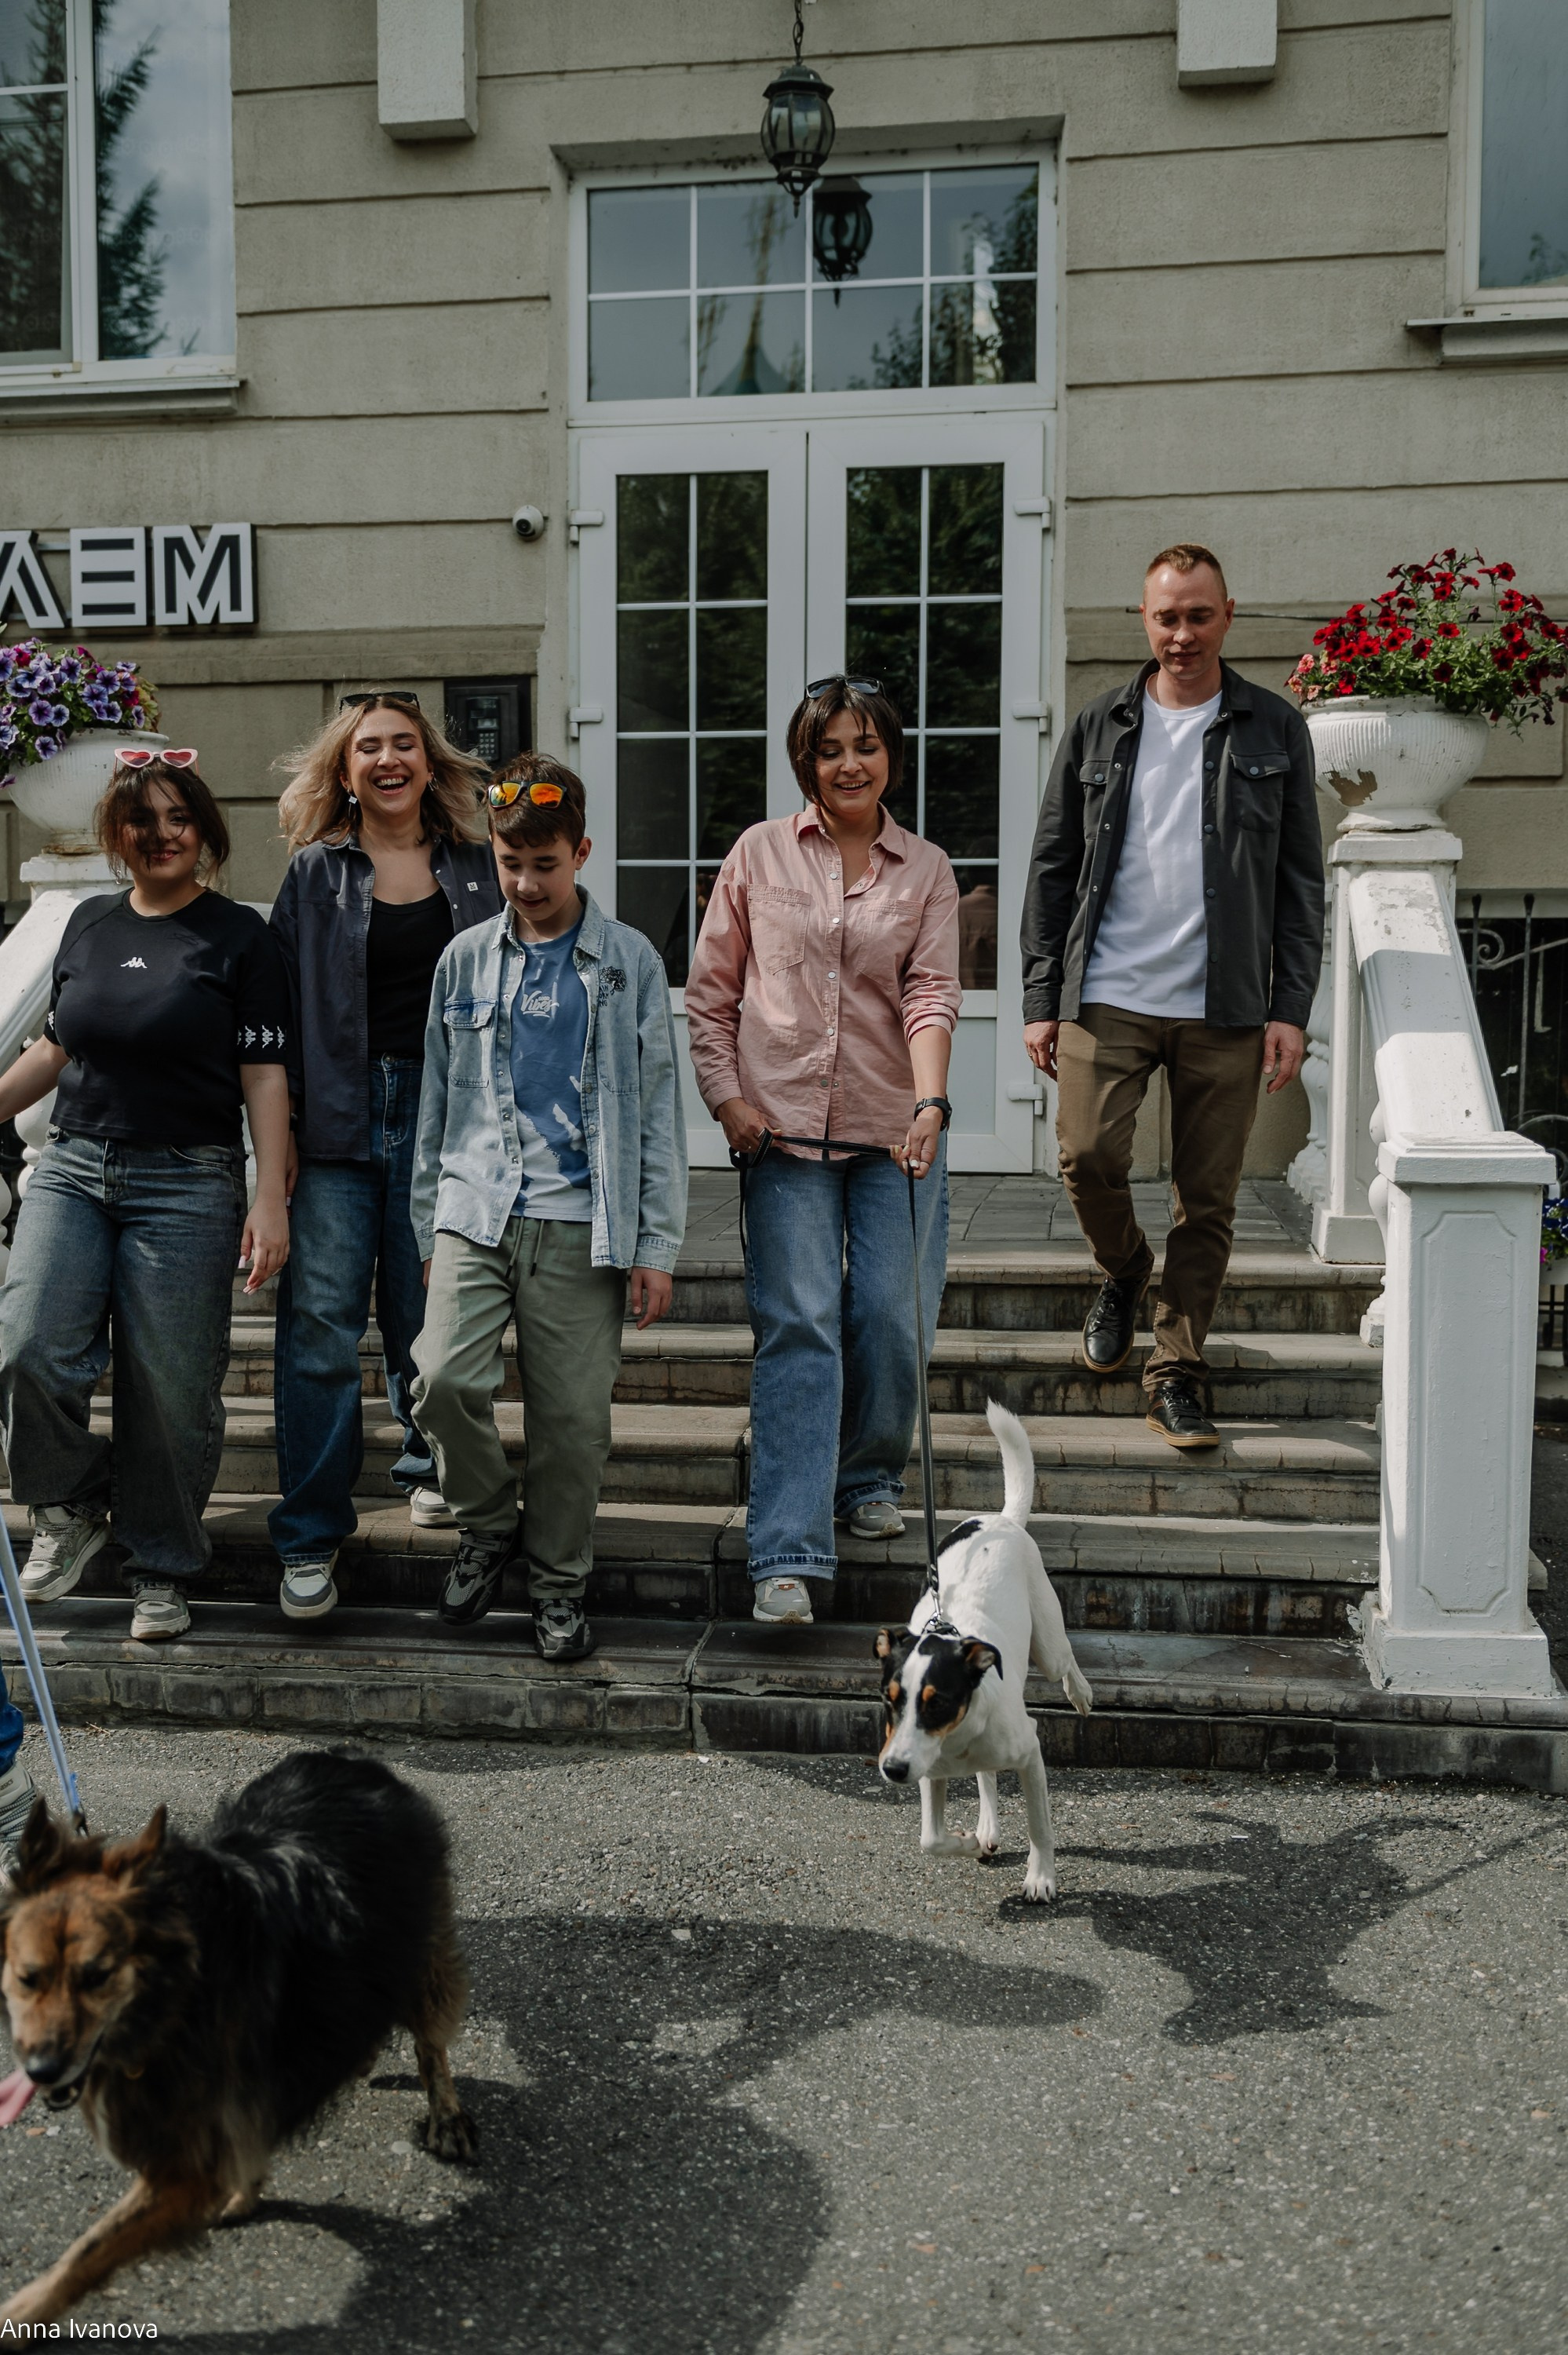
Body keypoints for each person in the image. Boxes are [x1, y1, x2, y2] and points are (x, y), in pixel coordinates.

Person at [1020, 543, 1325, 1448]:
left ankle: (1177, 1369)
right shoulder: (1100, 724)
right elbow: (1052, 866)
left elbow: (1301, 883)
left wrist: (1290, 1009)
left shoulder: (1273, 727)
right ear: (1144, 621)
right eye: (1166, 617)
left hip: (1224, 1001)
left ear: (1228, 613)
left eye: (1198, 615)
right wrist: (1042, 993)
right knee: (1084, 1156)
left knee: (1209, 1196)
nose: (1182, 634)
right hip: (1106, 990)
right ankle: (1124, 1271)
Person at [684, 677, 961, 1627]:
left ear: (892, 755)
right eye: (831, 748)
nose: (851, 763)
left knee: (889, 1317)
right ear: (806, 761)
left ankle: (868, 1474)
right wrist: (727, 1100)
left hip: (895, 1129)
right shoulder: (757, 855)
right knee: (801, 1327)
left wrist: (931, 1101)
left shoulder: (925, 870)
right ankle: (789, 1553)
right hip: (782, 1133)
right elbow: (711, 994)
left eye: (868, 745)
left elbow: (930, 995)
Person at [0, 750, 292, 1640]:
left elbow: (266, 1075)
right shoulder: (88, 922)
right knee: (27, 1348)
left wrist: (269, 1195)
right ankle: (73, 1504)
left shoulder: (240, 936)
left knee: (170, 1388)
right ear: (115, 836)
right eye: (142, 819)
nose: (162, 833)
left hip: (189, 1179)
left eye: (178, 817)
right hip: (77, 1165)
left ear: (203, 830)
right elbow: (53, 1048)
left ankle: (161, 1566)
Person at [410, 754, 687, 1660]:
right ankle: (489, 1526)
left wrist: (656, 1244)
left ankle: (559, 1582)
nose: (525, 883)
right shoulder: (464, 962)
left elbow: (654, 1110)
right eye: (509, 862)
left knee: (573, 1423)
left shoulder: (628, 963)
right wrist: (427, 1222)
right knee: (444, 1381)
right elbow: (438, 1102)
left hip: (581, 1219)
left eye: (545, 864)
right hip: (476, 1207)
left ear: (581, 853)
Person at [268, 693, 501, 1622]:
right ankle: (311, 1537)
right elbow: (277, 1029)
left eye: (407, 744)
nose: (391, 759)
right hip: (334, 1119)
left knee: (429, 1314)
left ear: (432, 763)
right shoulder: (315, 874)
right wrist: (275, 1155)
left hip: (447, 1125)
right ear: (346, 769)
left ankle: (430, 1463)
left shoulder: (481, 872)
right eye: (371, 748)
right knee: (321, 1331)